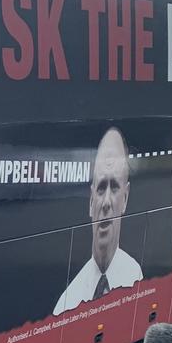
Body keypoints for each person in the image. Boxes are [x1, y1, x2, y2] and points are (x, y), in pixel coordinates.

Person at [54, 127, 143, 315]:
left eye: (115, 187)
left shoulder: (135, 277)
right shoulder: (68, 303)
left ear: (125, 199)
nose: (106, 203)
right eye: (101, 188)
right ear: (91, 200)